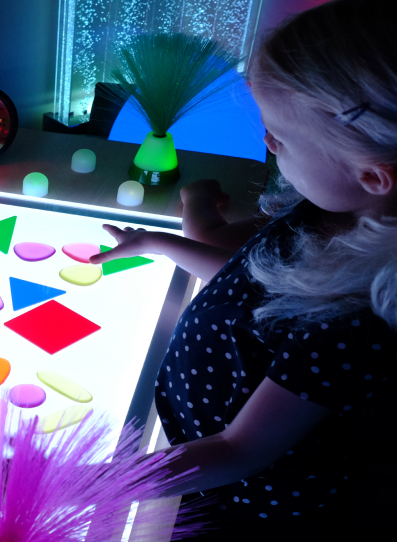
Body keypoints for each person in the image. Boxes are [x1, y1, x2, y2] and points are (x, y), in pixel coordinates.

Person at [90, 0, 397, 539]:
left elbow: (239, 451)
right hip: (195, 440)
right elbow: (251, 284)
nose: (266, 144)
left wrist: (83, 484)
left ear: (374, 176)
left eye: (280, 136)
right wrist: (162, 244)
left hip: (251, 497)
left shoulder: (357, 320)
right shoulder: (331, 207)